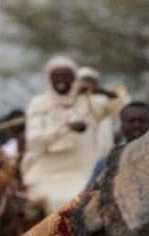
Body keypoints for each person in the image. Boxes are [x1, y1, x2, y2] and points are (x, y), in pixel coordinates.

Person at [22, 56, 100, 212]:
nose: (61, 80)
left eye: (66, 76)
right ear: (49, 78)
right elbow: (34, 141)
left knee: (90, 197)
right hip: (47, 173)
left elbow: (119, 105)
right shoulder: (38, 104)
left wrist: (99, 90)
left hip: (82, 171)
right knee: (59, 200)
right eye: (57, 76)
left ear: (74, 78)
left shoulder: (86, 101)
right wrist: (66, 128)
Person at [89, 101, 149, 184]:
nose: (136, 125)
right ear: (122, 127)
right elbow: (91, 190)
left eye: (142, 121)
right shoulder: (106, 163)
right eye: (131, 121)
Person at [74, 67, 129, 161]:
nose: (87, 84)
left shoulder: (103, 100)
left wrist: (102, 91)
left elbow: (125, 105)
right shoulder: (70, 102)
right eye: (84, 80)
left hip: (103, 154)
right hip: (79, 155)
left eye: (90, 81)